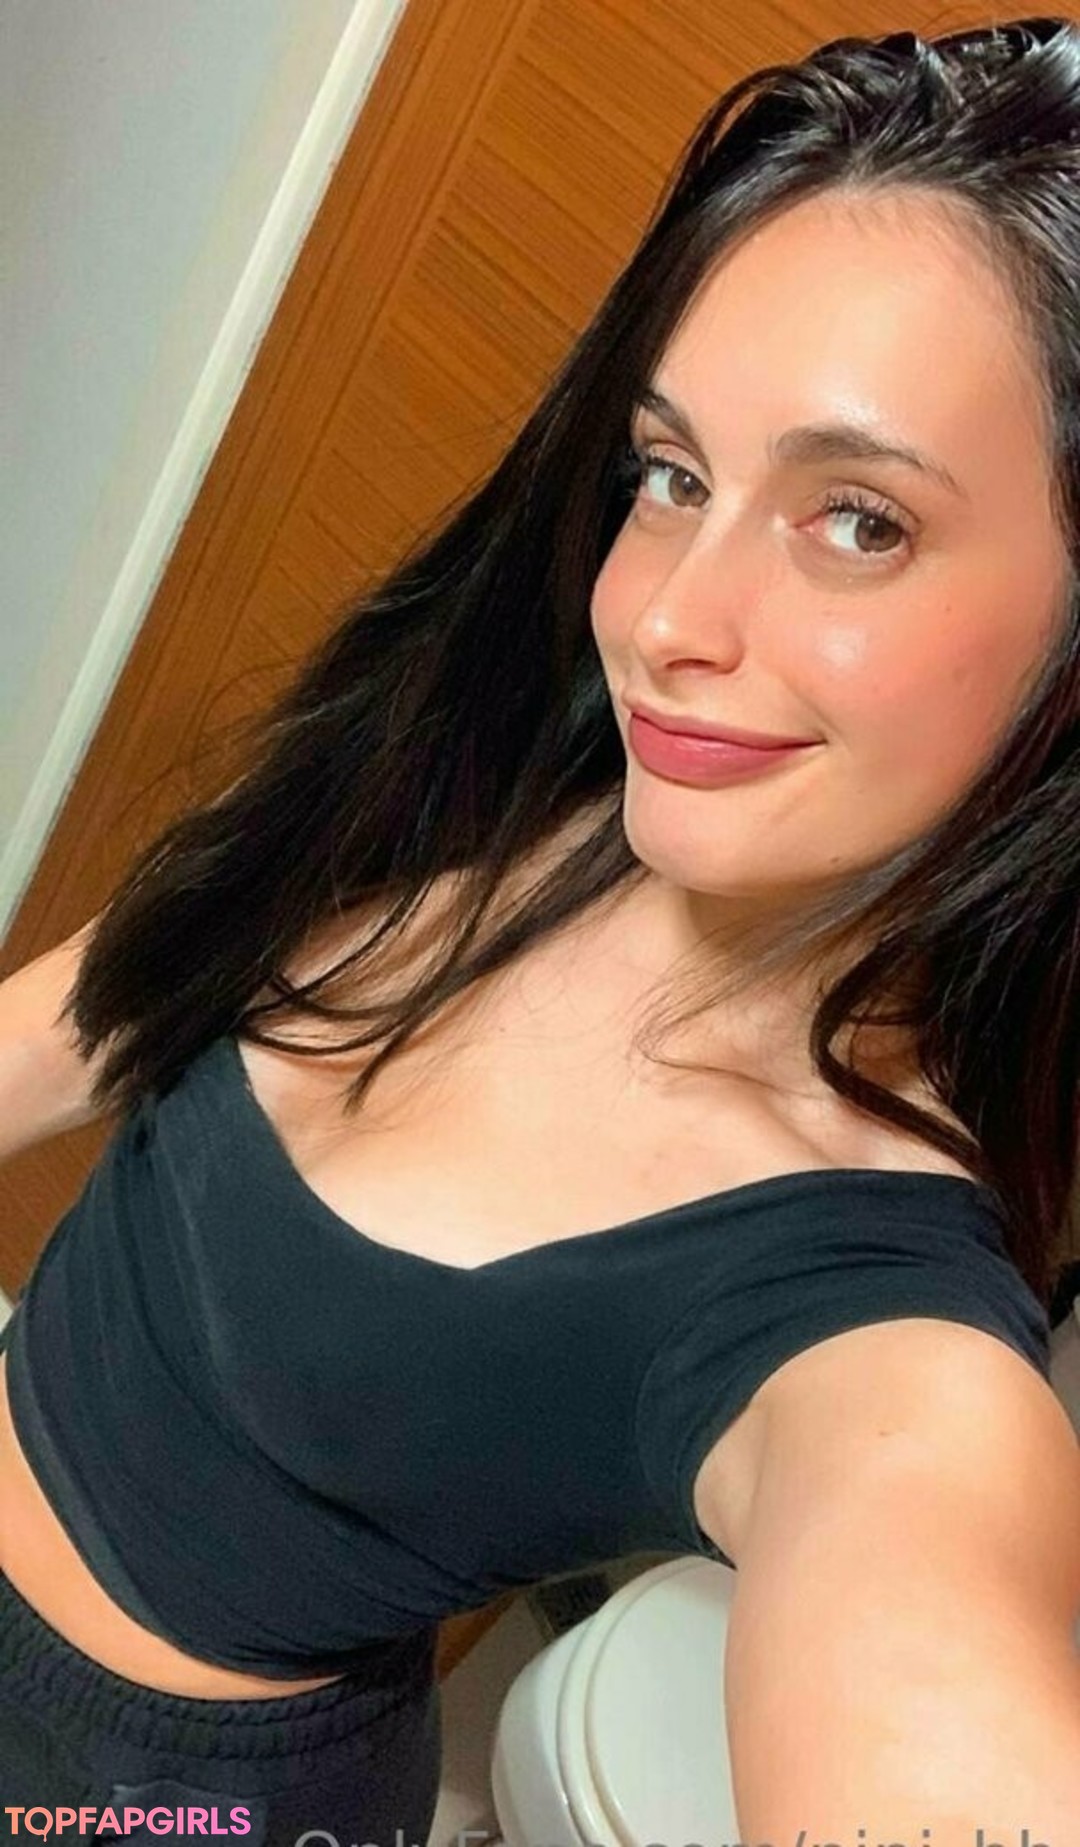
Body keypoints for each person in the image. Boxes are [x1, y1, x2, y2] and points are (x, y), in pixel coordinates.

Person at [3, 13, 1080, 1840]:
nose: (665, 618)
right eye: (674, 476)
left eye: (859, 521)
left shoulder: (878, 1343)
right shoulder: (552, 778)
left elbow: (932, 1658)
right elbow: (117, 997)